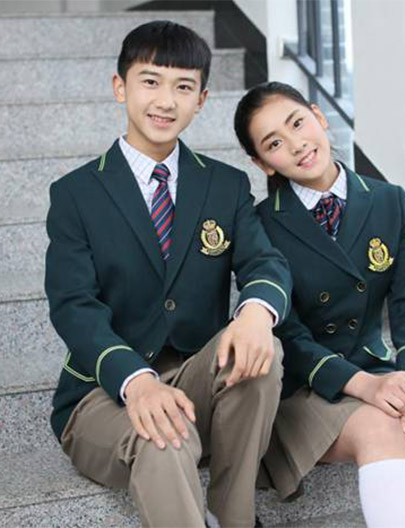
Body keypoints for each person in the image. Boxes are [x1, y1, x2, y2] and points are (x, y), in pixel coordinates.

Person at [45, 22, 292, 528]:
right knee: (163, 438)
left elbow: (264, 263)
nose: (165, 100)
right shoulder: (75, 194)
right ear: (120, 87)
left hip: (197, 376)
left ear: (201, 100)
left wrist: (254, 314)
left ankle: (234, 514)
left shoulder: (224, 184)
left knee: (261, 350)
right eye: (150, 81)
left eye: (183, 87)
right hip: (102, 393)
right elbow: (74, 306)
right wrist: (136, 381)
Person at [234, 81, 405, 528]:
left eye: (298, 123)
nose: (296, 144)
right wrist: (366, 387)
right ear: (262, 163)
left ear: (318, 115)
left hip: (372, 366)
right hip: (301, 389)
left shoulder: (391, 202)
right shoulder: (261, 225)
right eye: (274, 143)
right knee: (381, 426)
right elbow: (287, 335)